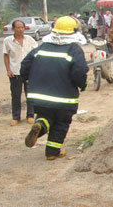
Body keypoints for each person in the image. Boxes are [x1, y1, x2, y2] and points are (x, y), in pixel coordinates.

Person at [21, 16, 89, 161]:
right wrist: (82, 85)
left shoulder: (42, 47)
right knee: (61, 122)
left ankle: (40, 125)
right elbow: (80, 71)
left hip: (39, 97)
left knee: (46, 116)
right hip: (63, 97)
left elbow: (25, 66)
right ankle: (52, 151)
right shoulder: (73, 49)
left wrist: (29, 81)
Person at [3, 19, 38, 126]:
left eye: (22, 27)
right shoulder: (8, 41)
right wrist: (8, 70)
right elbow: (6, 55)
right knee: (15, 95)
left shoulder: (29, 39)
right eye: (18, 27)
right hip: (15, 72)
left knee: (30, 95)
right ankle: (16, 117)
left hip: (29, 72)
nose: (20, 29)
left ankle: (30, 115)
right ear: (13, 29)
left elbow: (36, 52)